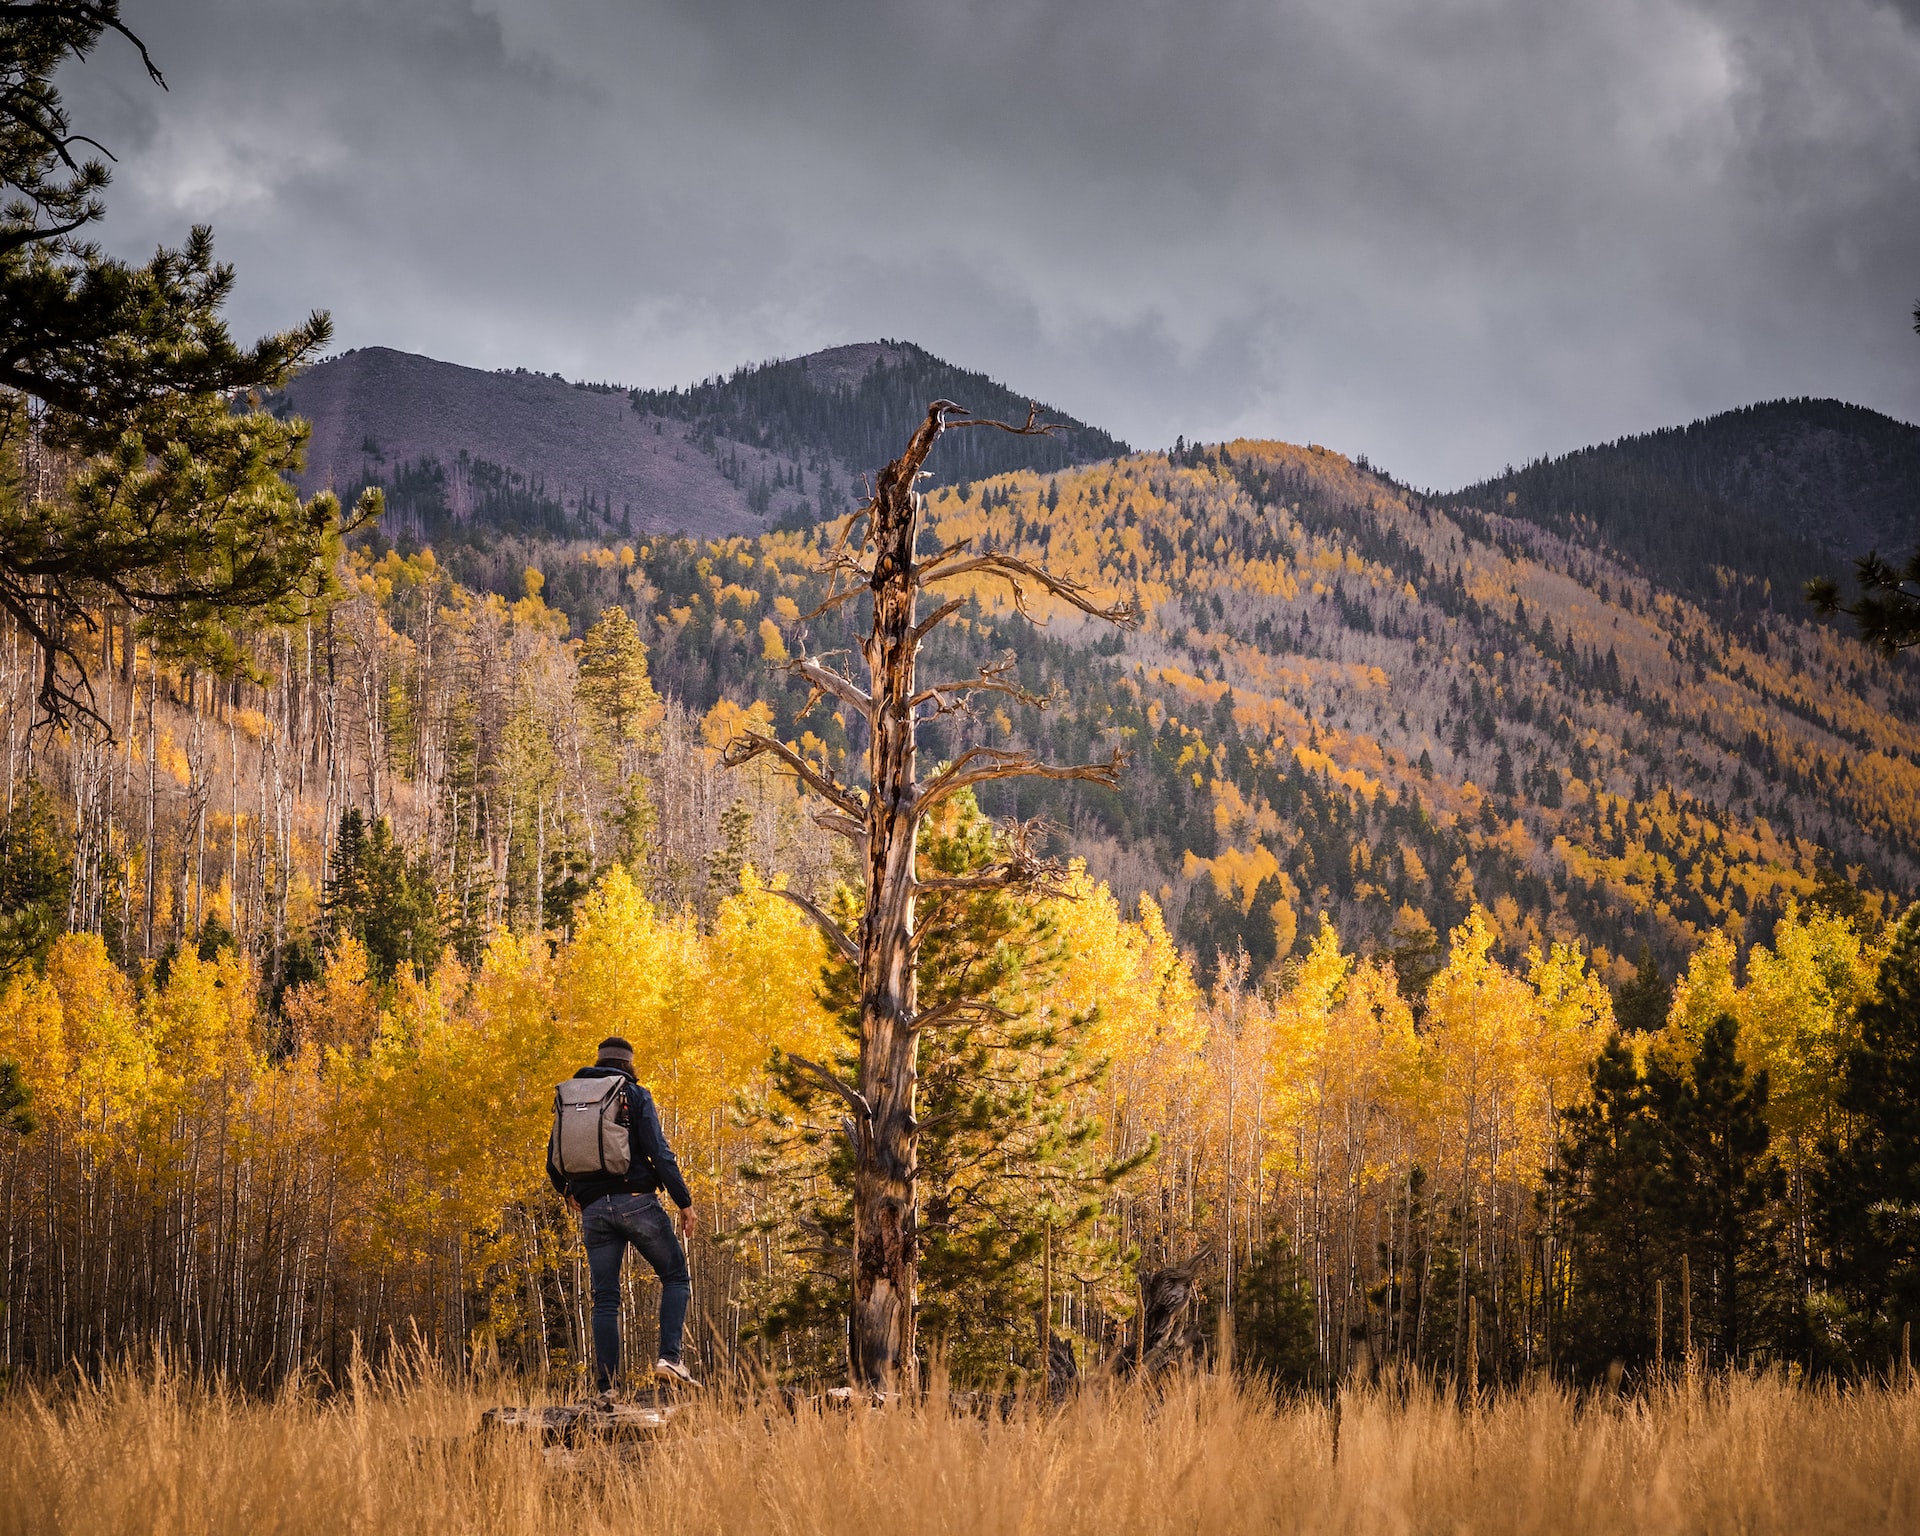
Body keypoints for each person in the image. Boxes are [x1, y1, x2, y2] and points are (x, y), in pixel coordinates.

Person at [547, 1035, 699, 1393]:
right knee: (675, 1276)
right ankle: (669, 1360)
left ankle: (608, 1389)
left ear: (598, 1062)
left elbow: (553, 1160)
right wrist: (684, 1201)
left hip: (594, 1211)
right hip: (637, 1202)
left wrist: (569, 1191)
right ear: (629, 1064)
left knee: (606, 1297)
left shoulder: (570, 1097)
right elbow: (660, 1153)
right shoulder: (634, 1094)